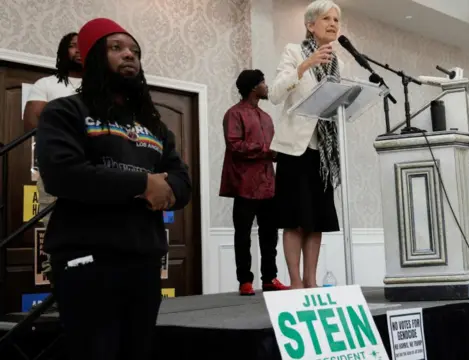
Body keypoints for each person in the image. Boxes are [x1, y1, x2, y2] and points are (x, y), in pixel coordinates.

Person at [36, 18, 191, 360]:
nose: (129, 55)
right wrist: (143, 183)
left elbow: (182, 181)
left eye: (134, 50)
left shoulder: (155, 126)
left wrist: (165, 189)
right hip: (87, 259)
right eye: (116, 48)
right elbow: (63, 175)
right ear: (93, 59)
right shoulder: (66, 111)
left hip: (144, 260)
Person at [269, 0, 343, 289]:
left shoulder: (338, 62)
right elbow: (275, 94)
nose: (333, 24)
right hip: (295, 149)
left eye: (336, 19)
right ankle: (296, 282)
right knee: (295, 219)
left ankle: (312, 280)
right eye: (327, 18)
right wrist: (304, 66)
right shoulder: (294, 52)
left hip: (323, 155)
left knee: (317, 221)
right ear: (311, 25)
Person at [219, 69, 289, 295]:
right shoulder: (234, 114)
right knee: (243, 235)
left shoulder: (267, 118)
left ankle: (270, 278)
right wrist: (268, 151)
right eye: (263, 82)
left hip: (269, 185)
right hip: (244, 185)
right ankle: (245, 282)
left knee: (270, 236)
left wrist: (280, 152)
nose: (267, 87)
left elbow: (275, 148)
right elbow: (235, 145)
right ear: (252, 87)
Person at [24, 31, 83, 227]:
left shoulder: (104, 89)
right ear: (63, 51)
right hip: (57, 166)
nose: (80, 50)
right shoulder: (47, 83)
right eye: (74, 45)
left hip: (100, 167)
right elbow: (32, 123)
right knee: (55, 225)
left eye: (85, 45)